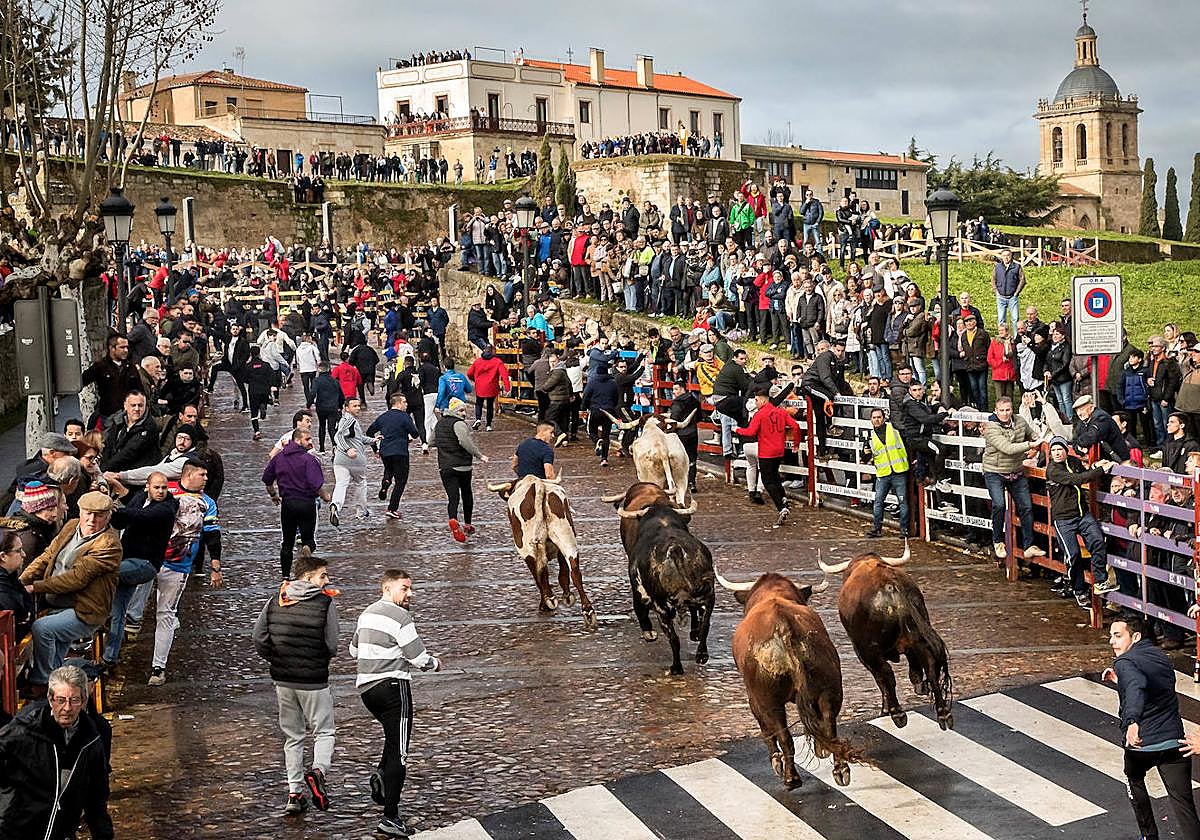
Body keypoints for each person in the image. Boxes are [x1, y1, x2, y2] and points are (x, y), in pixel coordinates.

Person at [350, 569, 442, 838]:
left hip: (368, 690)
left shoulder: (366, 613)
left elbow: (353, 650)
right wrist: (435, 664)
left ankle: (381, 774)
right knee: (400, 751)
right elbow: (418, 657)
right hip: (393, 688)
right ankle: (390, 817)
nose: (409, 593)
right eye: (404, 588)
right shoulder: (401, 617)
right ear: (387, 589)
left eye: (410, 588)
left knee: (391, 739)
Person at [253, 548, 339, 817]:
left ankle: (294, 793)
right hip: (314, 680)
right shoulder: (325, 604)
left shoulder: (276, 599)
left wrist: (276, 658)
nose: (326, 580)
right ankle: (318, 771)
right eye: (323, 576)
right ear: (309, 578)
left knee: (292, 736)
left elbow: (259, 637)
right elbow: (332, 644)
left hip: (283, 679)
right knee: (324, 731)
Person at [1103, 616, 1200, 840]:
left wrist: (1132, 721)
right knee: (1183, 804)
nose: (1112, 642)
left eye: (1118, 636)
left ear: (1135, 637)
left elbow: (1137, 686)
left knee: (1133, 779)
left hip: (1142, 745)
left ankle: (1148, 835)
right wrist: (1121, 682)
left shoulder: (1124, 662)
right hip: (1174, 742)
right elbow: (1150, 686)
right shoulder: (1161, 657)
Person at [19, 491, 121, 691]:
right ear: (80, 512)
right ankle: (55, 688)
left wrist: (35, 587)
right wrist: (21, 580)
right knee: (54, 652)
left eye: (99, 515)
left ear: (108, 516)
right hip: (57, 603)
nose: (92, 519)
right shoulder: (72, 525)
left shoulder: (109, 545)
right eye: (88, 513)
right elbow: (48, 556)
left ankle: (42, 682)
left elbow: (77, 578)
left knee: (42, 628)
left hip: (85, 610)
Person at [0, 665, 114, 840]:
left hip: (61, 831)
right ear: (50, 698)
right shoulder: (23, 731)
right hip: (16, 830)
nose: (67, 708)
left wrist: (103, 835)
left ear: (84, 700)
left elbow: (97, 798)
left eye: (74, 700)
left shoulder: (92, 741)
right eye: (61, 700)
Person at [102, 472, 177, 667]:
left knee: (103, 573)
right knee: (118, 613)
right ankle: (110, 658)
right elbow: (120, 522)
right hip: (127, 560)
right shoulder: (139, 498)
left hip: (146, 564)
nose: (161, 491)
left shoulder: (167, 508)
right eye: (157, 488)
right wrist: (115, 513)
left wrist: (113, 508)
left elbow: (143, 516)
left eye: (164, 488)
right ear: (147, 487)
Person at [1044, 437, 1119, 607]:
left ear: (1065, 450)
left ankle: (1100, 580)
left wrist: (1095, 467)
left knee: (1098, 542)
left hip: (1082, 514)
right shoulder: (1053, 470)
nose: (1057, 453)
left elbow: (1083, 472)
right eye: (1053, 450)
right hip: (1063, 518)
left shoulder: (1073, 461)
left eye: (1059, 449)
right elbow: (1076, 479)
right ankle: (1078, 589)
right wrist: (1100, 470)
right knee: (1073, 555)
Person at [981, 397, 1046, 561]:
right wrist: (1030, 446)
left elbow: (1033, 434)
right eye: (1001, 410)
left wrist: (1038, 440)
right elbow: (1007, 448)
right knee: (999, 504)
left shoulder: (1020, 421)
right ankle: (998, 541)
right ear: (996, 411)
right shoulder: (992, 428)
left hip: (1016, 470)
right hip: (994, 471)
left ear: (1012, 410)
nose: (1005, 413)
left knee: (1026, 506)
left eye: (1008, 410)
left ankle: (1029, 545)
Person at [263, 428, 330, 578]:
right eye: (308, 439)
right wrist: (326, 496)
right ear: (298, 440)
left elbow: (267, 480)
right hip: (306, 503)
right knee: (309, 539)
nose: (310, 442)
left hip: (288, 504)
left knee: (287, 542)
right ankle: (307, 561)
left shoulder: (279, 458)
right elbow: (316, 484)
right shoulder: (308, 460)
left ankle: (285, 577)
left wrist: (273, 494)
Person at [735, 386, 801, 526]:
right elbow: (795, 426)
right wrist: (796, 444)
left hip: (766, 452)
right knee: (775, 476)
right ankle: (783, 498)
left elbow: (750, 432)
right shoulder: (781, 412)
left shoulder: (760, 414)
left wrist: (737, 430)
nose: (756, 403)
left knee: (767, 480)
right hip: (778, 450)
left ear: (762, 400)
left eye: (757, 400)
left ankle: (781, 507)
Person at [434, 397, 488, 542]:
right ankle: (468, 523)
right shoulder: (459, 424)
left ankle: (453, 519)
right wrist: (479, 455)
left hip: (445, 465)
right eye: (462, 410)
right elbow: (465, 441)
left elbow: (432, 440)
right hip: (462, 465)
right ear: (455, 411)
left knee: (453, 497)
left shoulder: (439, 424)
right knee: (466, 494)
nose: (464, 413)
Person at [366, 393, 421, 520]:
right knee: (401, 481)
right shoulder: (405, 417)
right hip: (400, 451)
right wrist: (407, 437)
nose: (407, 405)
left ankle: (386, 482)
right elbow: (415, 433)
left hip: (385, 451)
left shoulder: (383, 417)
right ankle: (392, 508)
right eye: (405, 402)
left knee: (389, 469)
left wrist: (376, 449)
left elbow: (369, 432)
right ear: (398, 403)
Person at [864, 407, 910, 538]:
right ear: (871, 420)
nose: (877, 420)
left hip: (899, 470)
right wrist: (866, 452)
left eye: (879, 417)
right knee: (878, 501)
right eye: (874, 418)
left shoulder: (894, 429)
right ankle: (877, 528)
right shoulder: (869, 436)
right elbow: (865, 457)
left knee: (902, 501)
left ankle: (904, 529)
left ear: (883, 418)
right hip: (883, 473)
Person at [330, 397, 369, 526]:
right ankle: (361, 510)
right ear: (346, 408)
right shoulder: (349, 419)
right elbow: (338, 436)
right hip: (354, 459)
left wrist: (373, 440)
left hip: (340, 460)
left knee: (341, 484)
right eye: (354, 406)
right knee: (361, 483)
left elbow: (358, 438)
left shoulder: (347, 421)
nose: (358, 408)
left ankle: (335, 505)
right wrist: (347, 449)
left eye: (358, 406)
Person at [465, 345, 510, 431]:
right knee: (490, 406)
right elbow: (504, 375)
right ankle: (488, 425)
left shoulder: (477, 361)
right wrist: (507, 388)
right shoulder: (497, 361)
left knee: (479, 403)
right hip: (492, 386)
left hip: (480, 386)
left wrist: (475, 380)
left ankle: (478, 418)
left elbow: (469, 373)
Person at [669, 381, 701, 493]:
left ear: (683, 389)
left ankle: (680, 483)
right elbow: (699, 416)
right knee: (692, 459)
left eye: (676, 389)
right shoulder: (694, 400)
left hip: (680, 434)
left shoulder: (677, 403)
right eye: (673, 390)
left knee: (679, 459)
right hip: (693, 433)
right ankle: (692, 483)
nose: (674, 392)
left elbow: (674, 419)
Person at [0, 528, 33, 637]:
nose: (24, 554)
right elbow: (17, 611)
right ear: (3, 556)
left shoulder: (10, 576)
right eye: (18, 551)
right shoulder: (2, 584)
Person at [312, 363, 344, 454]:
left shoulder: (317, 381)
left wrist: (309, 403)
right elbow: (341, 396)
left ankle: (322, 448)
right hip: (333, 407)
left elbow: (312, 393)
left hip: (321, 407)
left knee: (322, 426)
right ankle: (335, 446)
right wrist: (340, 406)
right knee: (332, 428)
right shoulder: (335, 381)